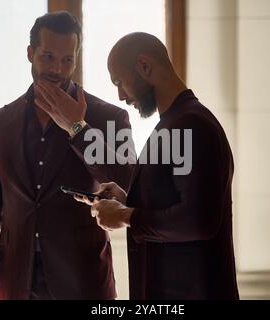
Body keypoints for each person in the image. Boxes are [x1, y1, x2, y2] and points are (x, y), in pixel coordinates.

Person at [0, 11, 134, 300]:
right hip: (16, 283)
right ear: (31, 53)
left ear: (76, 59)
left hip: (84, 284)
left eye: (67, 59)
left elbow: (127, 181)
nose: (57, 69)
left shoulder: (109, 117)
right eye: (48, 57)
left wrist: (78, 129)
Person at [77, 32, 239, 299]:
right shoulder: (176, 124)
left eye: (119, 82)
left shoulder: (191, 125)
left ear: (144, 65)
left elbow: (199, 221)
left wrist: (126, 216)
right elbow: (178, 204)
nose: (119, 95)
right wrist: (129, 201)